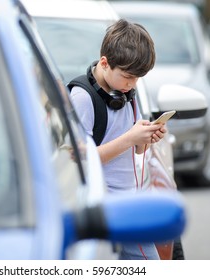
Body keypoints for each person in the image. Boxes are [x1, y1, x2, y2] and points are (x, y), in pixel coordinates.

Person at [68, 19, 167, 260]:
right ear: (104, 63)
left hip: (127, 199)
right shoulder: (82, 98)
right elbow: (79, 160)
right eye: (128, 77)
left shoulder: (125, 94)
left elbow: (137, 151)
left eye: (137, 78)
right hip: (104, 207)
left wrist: (146, 137)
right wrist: (130, 137)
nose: (132, 84)